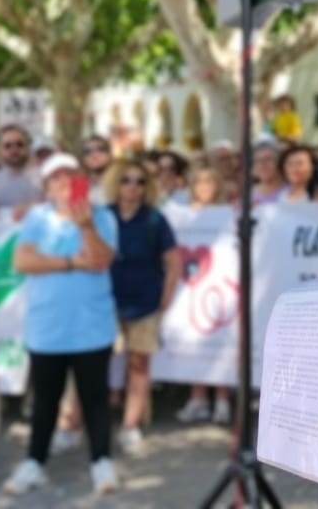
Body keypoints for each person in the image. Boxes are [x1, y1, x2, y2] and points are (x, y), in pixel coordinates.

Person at [3, 154, 121, 495]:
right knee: (45, 400)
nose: (64, 183)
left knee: (95, 398)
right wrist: (70, 261)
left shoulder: (102, 216)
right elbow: (22, 259)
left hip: (92, 327)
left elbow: (101, 260)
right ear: (46, 187)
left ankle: (101, 461)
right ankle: (34, 463)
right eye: (56, 178)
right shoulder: (37, 218)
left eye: (71, 175)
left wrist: (86, 227)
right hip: (47, 328)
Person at [104, 159, 181, 455]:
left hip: (145, 303)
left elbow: (173, 261)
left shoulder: (154, 219)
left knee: (139, 365)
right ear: (115, 183)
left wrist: (167, 294)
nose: (132, 186)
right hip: (104, 305)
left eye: (139, 181)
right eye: (126, 180)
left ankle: (130, 425)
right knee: (95, 365)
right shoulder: (103, 216)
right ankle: (78, 422)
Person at [173, 166, 233, 425]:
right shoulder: (182, 215)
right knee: (193, 341)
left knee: (221, 342)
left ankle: (222, 400)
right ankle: (197, 399)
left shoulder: (230, 212)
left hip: (221, 285)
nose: (204, 186)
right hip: (190, 286)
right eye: (199, 181)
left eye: (209, 180)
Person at [0, 125, 43, 210]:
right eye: (7, 146)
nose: (14, 149)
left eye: (19, 144)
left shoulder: (44, 180)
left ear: (28, 148)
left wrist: (31, 207)